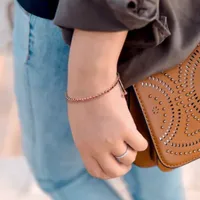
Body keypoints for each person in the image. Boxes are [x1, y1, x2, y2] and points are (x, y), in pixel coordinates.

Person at [13, 0, 200, 199]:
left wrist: (92, 77)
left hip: (78, 24)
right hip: (167, 12)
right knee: (156, 147)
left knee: (64, 178)